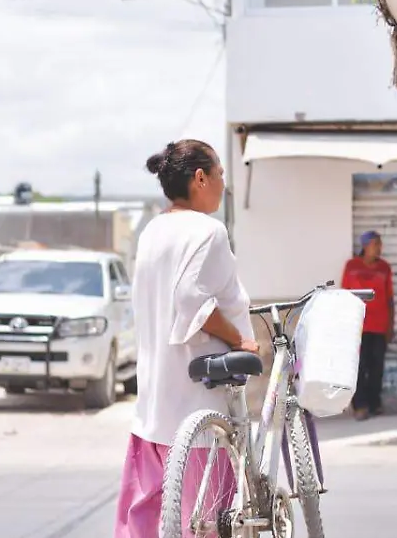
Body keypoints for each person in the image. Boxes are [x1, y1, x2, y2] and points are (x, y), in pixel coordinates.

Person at [114, 139, 260, 538]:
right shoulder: (208, 231)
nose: (223, 184)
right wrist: (240, 340)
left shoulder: (151, 231)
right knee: (204, 524)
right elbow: (190, 299)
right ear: (200, 178)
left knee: (146, 523)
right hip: (196, 411)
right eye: (220, 175)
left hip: (154, 409)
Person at [342, 230, 395, 421]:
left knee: (377, 368)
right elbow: (345, 297)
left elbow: (390, 299)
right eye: (376, 244)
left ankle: (375, 403)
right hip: (357, 327)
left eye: (380, 244)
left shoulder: (384, 268)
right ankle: (360, 406)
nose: (379, 248)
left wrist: (390, 326)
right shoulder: (352, 266)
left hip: (379, 326)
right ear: (365, 246)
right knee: (359, 367)